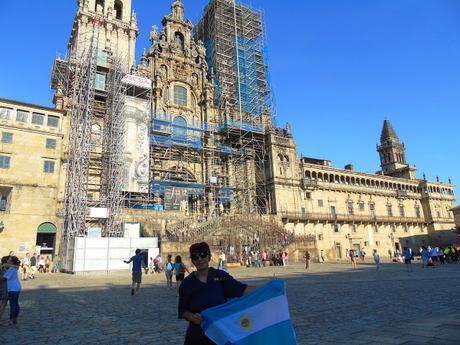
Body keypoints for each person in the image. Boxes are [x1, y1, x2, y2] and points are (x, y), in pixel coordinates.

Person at [178, 242, 257, 345]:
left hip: (220, 336)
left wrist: (269, 288)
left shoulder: (220, 277)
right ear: (192, 260)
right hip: (197, 337)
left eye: (203, 255)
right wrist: (192, 317)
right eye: (195, 257)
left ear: (209, 256)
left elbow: (242, 290)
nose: (200, 259)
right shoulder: (187, 284)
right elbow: (182, 311)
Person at [3, 256, 21, 325]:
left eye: (9, 260)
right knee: (16, 303)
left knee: (13, 304)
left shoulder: (11, 269)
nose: (8, 261)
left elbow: (4, 278)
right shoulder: (13, 268)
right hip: (16, 287)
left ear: (11, 262)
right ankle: (15, 319)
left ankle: (11, 320)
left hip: (13, 288)